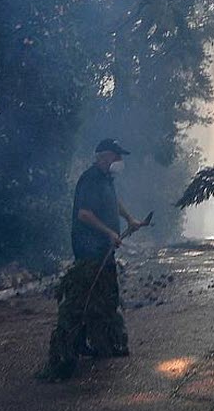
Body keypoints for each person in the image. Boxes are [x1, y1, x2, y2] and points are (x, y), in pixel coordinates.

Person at [36, 139, 145, 381]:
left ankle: (101, 343)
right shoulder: (90, 179)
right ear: (105, 156)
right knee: (82, 300)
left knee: (104, 297)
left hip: (104, 249)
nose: (121, 161)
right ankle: (67, 352)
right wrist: (109, 233)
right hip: (89, 250)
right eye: (118, 156)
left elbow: (113, 202)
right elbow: (84, 214)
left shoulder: (106, 179)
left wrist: (130, 219)